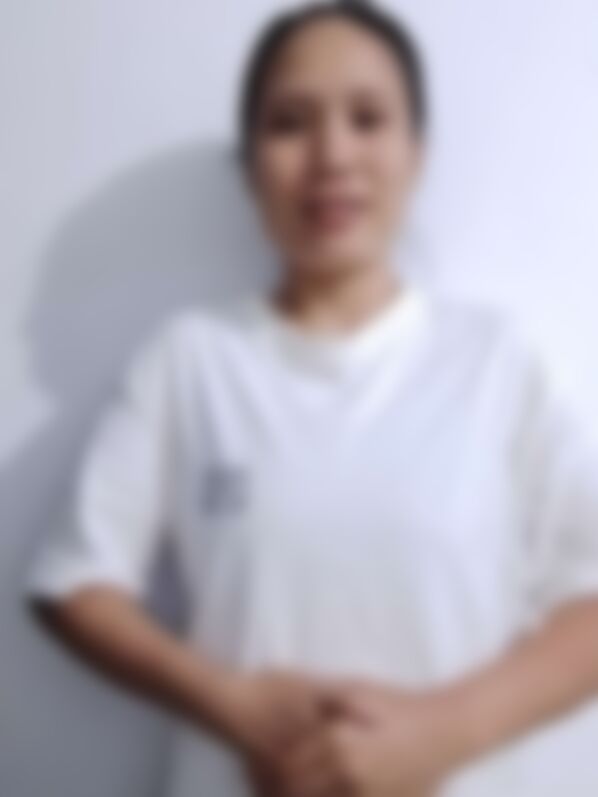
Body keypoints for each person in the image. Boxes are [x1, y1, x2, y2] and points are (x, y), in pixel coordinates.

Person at [24, 2, 598, 796]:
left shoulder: (499, 360)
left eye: (368, 119)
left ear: (417, 152)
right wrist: (231, 706)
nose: (333, 155)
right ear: (249, 163)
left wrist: (443, 732)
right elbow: (72, 581)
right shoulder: (191, 360)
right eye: (291, 123)